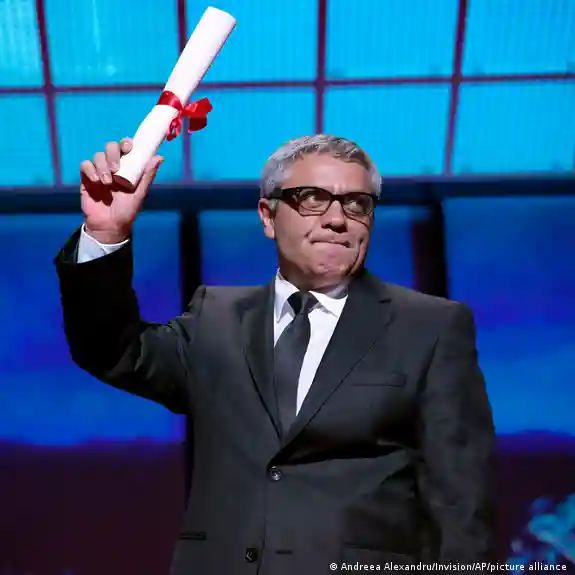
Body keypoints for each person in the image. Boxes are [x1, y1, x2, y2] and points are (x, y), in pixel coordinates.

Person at [54, 134, 496, 574]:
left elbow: (462, 506)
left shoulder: (429, 326)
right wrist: (106, 233)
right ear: (268, 216)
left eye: (356, 204)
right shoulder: (216, 318)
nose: (337, 220)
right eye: (312, 199)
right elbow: (112, 350)